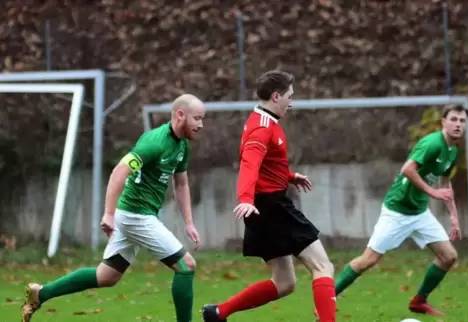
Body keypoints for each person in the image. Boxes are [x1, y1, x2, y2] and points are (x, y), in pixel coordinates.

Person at [22, 94, 205, 322]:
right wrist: (108, 213)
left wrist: (188, 222)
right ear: (180, 115)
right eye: (197, 118)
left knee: (106, 276)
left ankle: (41, 293)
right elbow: (120, 170)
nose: (201, 124)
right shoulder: (155, 142)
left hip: (135, 215)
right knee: (186, 266)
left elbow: (181, 182)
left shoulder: (182, 145)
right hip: (135, 216)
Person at [201, 70, 337, 322]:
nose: (291, 102)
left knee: (284, 283)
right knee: (323, 267)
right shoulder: (262, 128)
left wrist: (289, 175)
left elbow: (266, 164)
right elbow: (249, 165)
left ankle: (218, 313)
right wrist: (245, 199)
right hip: (270, 205)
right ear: (276, 96)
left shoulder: (263, 120)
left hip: (263, 206)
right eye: (289, 96)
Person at [328, 104, 467, 317]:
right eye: (454, 119)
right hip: (397, 211)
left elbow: (445, 184)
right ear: (443, 122)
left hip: (419, 213)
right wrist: (432, 192)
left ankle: (419, 301)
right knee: (368, 260)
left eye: (462, 121)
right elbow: (407, 169)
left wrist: (454, 219)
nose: (458, 124)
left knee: (448, 256)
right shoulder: (431, 143)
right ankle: (327, 299)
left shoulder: (453, 151)